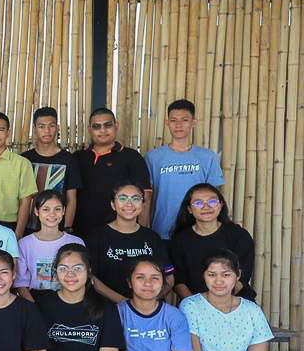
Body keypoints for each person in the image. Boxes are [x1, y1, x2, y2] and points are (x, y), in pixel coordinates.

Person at [145, 99, 224, 240]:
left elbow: (214, 195)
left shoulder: (208, 157)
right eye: (173, 120)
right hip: (162, 231)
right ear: (167, 123)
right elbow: (147, 196)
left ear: (193, 123)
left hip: (200, 230)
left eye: (184, 120)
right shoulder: (153, 157)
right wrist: (145, 226)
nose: (178, 125)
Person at [86, 182, 174, 304]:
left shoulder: (152, 237)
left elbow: (169, 276)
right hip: (109, 307)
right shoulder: (97, 236)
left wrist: (148, 300)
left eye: (136, 198)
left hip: (147, 308)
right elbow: (91, 277)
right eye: (122, 198)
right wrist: (125, 303)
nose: (129, 203)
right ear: (113, 204)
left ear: (143, 204)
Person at [74, 108, 151, 238]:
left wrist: (142, 235)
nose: (102, 130)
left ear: (116, 126)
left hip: (120, 234)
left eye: (108, 125)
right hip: (81, 232)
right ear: (89, 129)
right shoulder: (78, 158)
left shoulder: (132, 157)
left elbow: (145, 198)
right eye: (97, 126)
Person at [170, 183, 255, 301]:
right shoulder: (180, 240)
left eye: (212, 202)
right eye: (198, 203)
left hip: (236, 300)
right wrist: (197, 305)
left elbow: (242, 276)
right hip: (196, 304)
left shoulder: (239, 235)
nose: (206, 207)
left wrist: (219, 303)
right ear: (189, 209)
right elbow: (179, 281)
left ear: (221, 205)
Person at [14, 190, 84, 300]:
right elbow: (20, 283)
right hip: (36, 299)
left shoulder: (76, 242)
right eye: (46, 209)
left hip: (68, 299)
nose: (52, 214)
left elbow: (82, 278)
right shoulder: (24, 244)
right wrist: (33, 307)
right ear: (36, 211)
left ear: (64, 211)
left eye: (57, 209)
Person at [21, 107, 81, 232]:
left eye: (51, 126)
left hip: (58, 229)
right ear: (35, 128)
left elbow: (71, 199)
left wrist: (66, 230)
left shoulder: (69, 159)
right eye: (41, 126)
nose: (47, 131)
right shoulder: (25, 159)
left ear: (57, 128)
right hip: (28, 229)